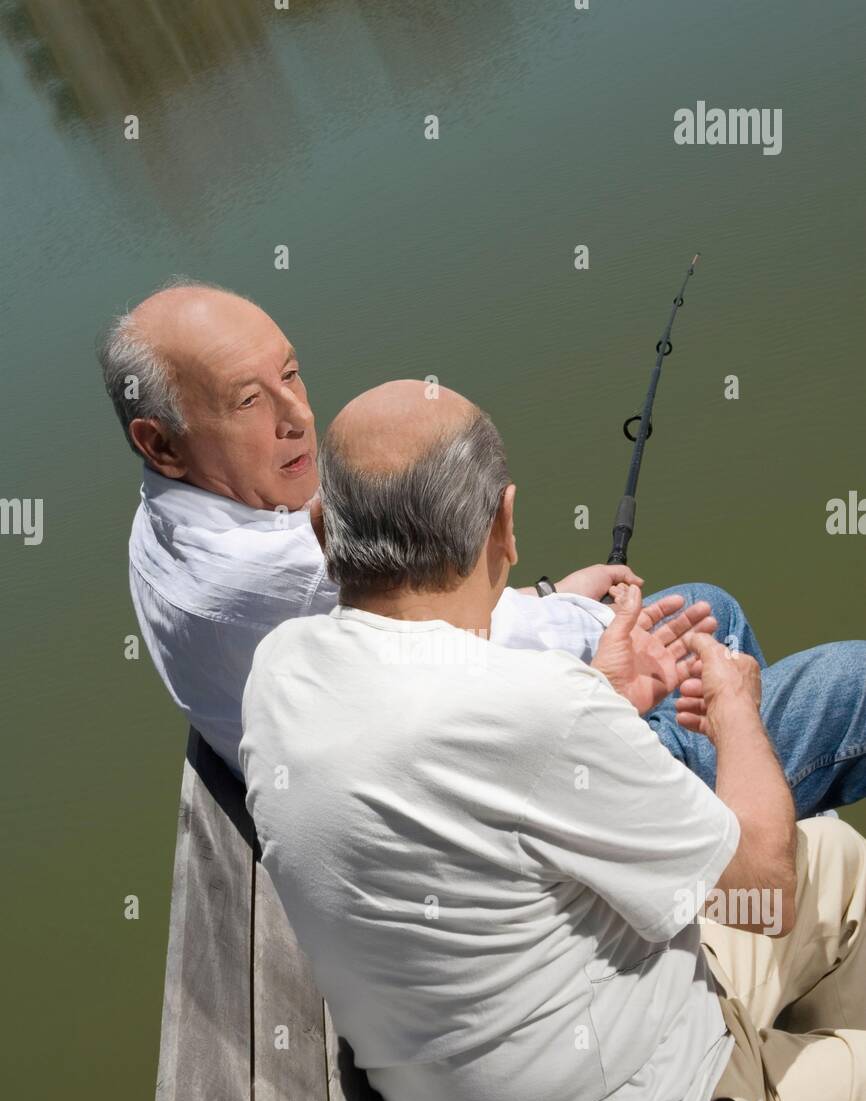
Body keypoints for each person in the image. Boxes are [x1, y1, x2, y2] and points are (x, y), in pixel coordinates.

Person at [239, 379, 866, 1101]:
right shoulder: (531, 706)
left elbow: (470, 784)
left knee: (836, 859)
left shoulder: (281, 668)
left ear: (320, 530)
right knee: (796, 863)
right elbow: (761, 891)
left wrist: (606, 702)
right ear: (505, 525)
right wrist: (734, 711)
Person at [98, 279, 866, 813]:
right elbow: (471, 644)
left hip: (416, 767)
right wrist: (576, 614)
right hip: (524, 795)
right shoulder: (290, 568)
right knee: (789, 665)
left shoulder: (161, 526)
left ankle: (757, 817)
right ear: (160, 442)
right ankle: (740, 852)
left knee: (707, 613)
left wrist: (543, 595)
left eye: (292, 374)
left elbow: (430, 625)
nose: (298, 415)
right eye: (247, 400)